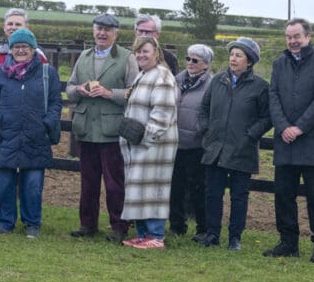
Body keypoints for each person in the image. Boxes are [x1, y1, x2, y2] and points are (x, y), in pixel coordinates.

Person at [265, 18, 314, 263]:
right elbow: (272, 96)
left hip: (312, 141)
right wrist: (284, 127)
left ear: (308, 37)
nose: (293, 41)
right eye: (289, 37)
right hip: (285, 140)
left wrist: (300, 127)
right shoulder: (279, 63)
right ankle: (288, 242)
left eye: (297, 36)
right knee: (283, 194)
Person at [0, 28, 61, 238]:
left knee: (33, 185)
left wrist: (47, 123)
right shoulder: (0, 72)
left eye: (24, 47)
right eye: (16, 47)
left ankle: (32, 224)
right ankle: (4, 222)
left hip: (36, 138)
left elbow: (55, 103)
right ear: (10, 49)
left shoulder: (47, 73)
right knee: (5, 183)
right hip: (5, 137)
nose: (20, 50)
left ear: (33, 49)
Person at [65, 14, 138, 242]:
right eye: (99, 29)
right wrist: (79, 90)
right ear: (93, 31)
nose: (102, 33)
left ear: (116, 34)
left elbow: (134, 92)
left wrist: (109, 93)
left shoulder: (127, 58)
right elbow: (68, 88)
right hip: (86, 129)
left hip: (112, 130)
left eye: (107, 30)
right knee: (88, 181)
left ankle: (119, 226)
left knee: (115, 183)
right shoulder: (84, 57)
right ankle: (88, 224)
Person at [197, 38, 271, 251]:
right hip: (215, 148)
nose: (233, 58)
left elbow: (267, 118)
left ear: (249, 61)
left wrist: (251, 136)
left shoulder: (260, 87)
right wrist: (206, 129)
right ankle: (212, 234)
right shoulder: (218, 80)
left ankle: (234, 238)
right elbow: (204, 109)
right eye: (232, 54)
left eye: (239, 55)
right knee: (213, 193)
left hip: (242, 149)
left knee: (239, 196)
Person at [120, 36, 179, 250]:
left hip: (154, 145)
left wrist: (146, 138)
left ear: (156, 52)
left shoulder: (162, 76)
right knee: (140, 190)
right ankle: (143, 234)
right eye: (137, 52)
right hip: (139, 144)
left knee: (153, 190)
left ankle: (156, 236)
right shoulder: (144, 75)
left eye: (145, 51)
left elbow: (162, 114)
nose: (140, 55)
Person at [168, 44, 213, 241]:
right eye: (188, 59)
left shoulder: (211, 85)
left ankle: (203, 228)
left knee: (197, 188)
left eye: (195, 60)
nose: (190, 63)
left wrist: (200, 131)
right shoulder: (176, 81)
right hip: (174, 142)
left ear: (206, 64)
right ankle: (177, 225)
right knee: (175, 186)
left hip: (196, 144)